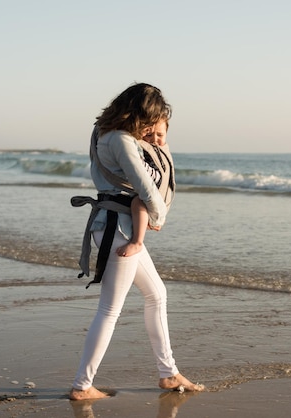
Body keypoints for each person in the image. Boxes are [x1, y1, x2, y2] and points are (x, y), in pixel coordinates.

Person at [69, 83, 204, 401]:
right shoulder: (121, 140)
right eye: (150, 119)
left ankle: (168, 373)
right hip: (120, 230)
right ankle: (82, 385)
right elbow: (145, 188)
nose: (150, 128)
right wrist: (158, 217)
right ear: (140, 113)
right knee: (109, 309)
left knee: (157, 294)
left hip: (116, 226)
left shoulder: (102, 131)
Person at [116, 117, 173, 257]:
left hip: (159, 201)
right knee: (138, 202)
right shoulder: (139, 147)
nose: (154, 139)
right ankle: (138, 241)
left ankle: (139, 239)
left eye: (160, 135)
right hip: (145, 199)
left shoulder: (163, 149)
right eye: (148, 134)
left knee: (139, 203)